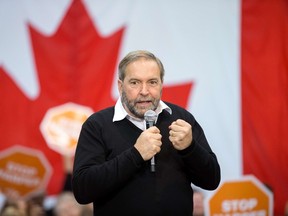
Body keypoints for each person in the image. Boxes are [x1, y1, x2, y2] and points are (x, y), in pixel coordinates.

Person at [72, 50, 221, 216]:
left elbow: (211, 180)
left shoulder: (181, 118)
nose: (144, 91)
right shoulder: (97, 125)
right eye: (135, 83)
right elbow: (82, 190)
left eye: (152, 82)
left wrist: (190, 148)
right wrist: (135, 155)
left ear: (161, 84)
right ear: (121, 86)